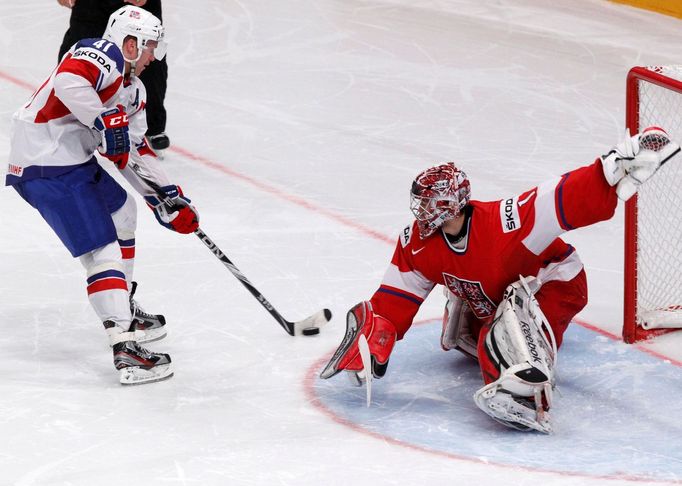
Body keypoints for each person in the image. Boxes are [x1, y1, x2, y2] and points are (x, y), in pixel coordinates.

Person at [320, 127, 680, 433]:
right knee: (477, 333)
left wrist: (610, 168)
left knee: (510, 318)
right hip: (491, 290)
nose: (421, 212)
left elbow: (557, 198)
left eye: (429, 204)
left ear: (452, 204)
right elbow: (399, 292)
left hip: (553, 281)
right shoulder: (418, 242)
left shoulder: (503, 224)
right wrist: (376, 334)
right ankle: (499, 342)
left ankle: (524, 390)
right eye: (420, 203)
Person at [6, 5, 199, 385]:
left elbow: (134, 150)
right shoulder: (97, 53)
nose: (152, 57)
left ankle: (122, 302)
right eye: (149, 48)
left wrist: (166, 197)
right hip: (45, 163)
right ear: (129, 43)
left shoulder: (133, 90)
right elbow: (68, 81)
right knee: (103, 249)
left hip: (70, 161)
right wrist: (102, 119)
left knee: (125, 210)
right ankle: (125, 347)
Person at [57, 0, 170, 152]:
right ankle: (64, 120)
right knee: (80, 49)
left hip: (141, 6)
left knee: (147, 51)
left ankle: (150, 127)